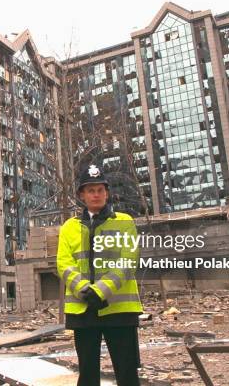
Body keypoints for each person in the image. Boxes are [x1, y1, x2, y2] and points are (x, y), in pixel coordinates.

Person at [57, 165, 143, 385]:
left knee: (127, 374)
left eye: (100, 190)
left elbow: (128, 261)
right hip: (83, 309)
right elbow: (64, 263)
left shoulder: (125, 222)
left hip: (119, 310)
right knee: (87, 375)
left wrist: (100, 290)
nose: (96, 194)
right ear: (81, 195)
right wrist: (85, 290)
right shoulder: (68, 227)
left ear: (107, 193)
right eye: (90, 190)